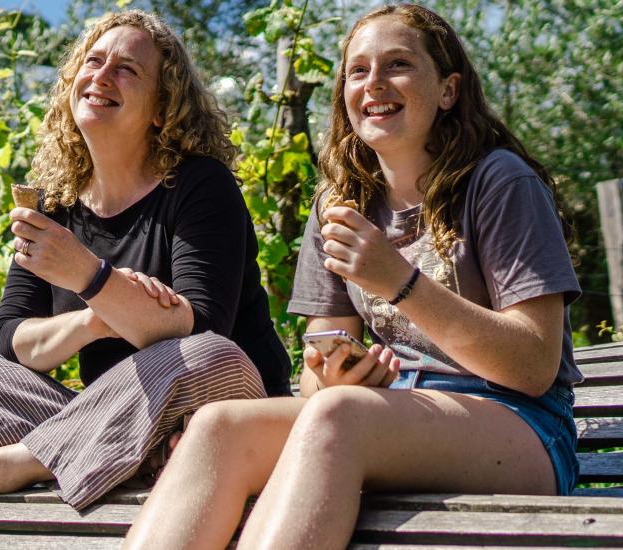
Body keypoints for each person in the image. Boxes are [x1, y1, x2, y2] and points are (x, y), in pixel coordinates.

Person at [121, 5, 582, 549]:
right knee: (219, 425)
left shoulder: (500, 182)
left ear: (448, 90)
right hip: (386, 415)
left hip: (522, 425)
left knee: (342, 415)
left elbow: (532, 366)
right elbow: (319, 376)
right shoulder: (341, 204)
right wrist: (337, 374)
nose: (374, 84)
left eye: (398, 65)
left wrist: (399, 282)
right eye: (357, 71)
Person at [0, 10, 293, 512]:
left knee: (208, 355)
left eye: (126, 70)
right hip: (122, 417)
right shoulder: (56, 205)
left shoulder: (201, 185)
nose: (100, 76)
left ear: (162, 109)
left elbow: (204, 329)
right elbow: (10, 340)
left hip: (225, 402)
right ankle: (136, 456)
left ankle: (7, 466)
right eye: (93, 62)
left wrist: (90, 277)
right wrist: (96, 320)